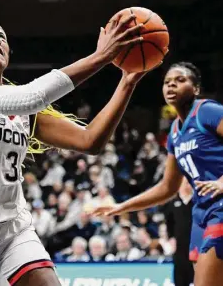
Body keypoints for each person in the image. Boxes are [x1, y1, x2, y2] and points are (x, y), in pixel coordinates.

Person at [0, 14, 153, 286]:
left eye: (1, 37)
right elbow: (30, 97)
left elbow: (91, 141)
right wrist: (101, 56)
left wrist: (127, 82)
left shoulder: (24, 112)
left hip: (11, 231)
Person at [92, 62, 223, 286]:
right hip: (200, 214)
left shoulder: (208, 111)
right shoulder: (174, 132)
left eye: (180, 80)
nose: (171, 84)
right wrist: (122, 207)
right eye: (166, 82)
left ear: (196, 88)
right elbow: (167, 188)